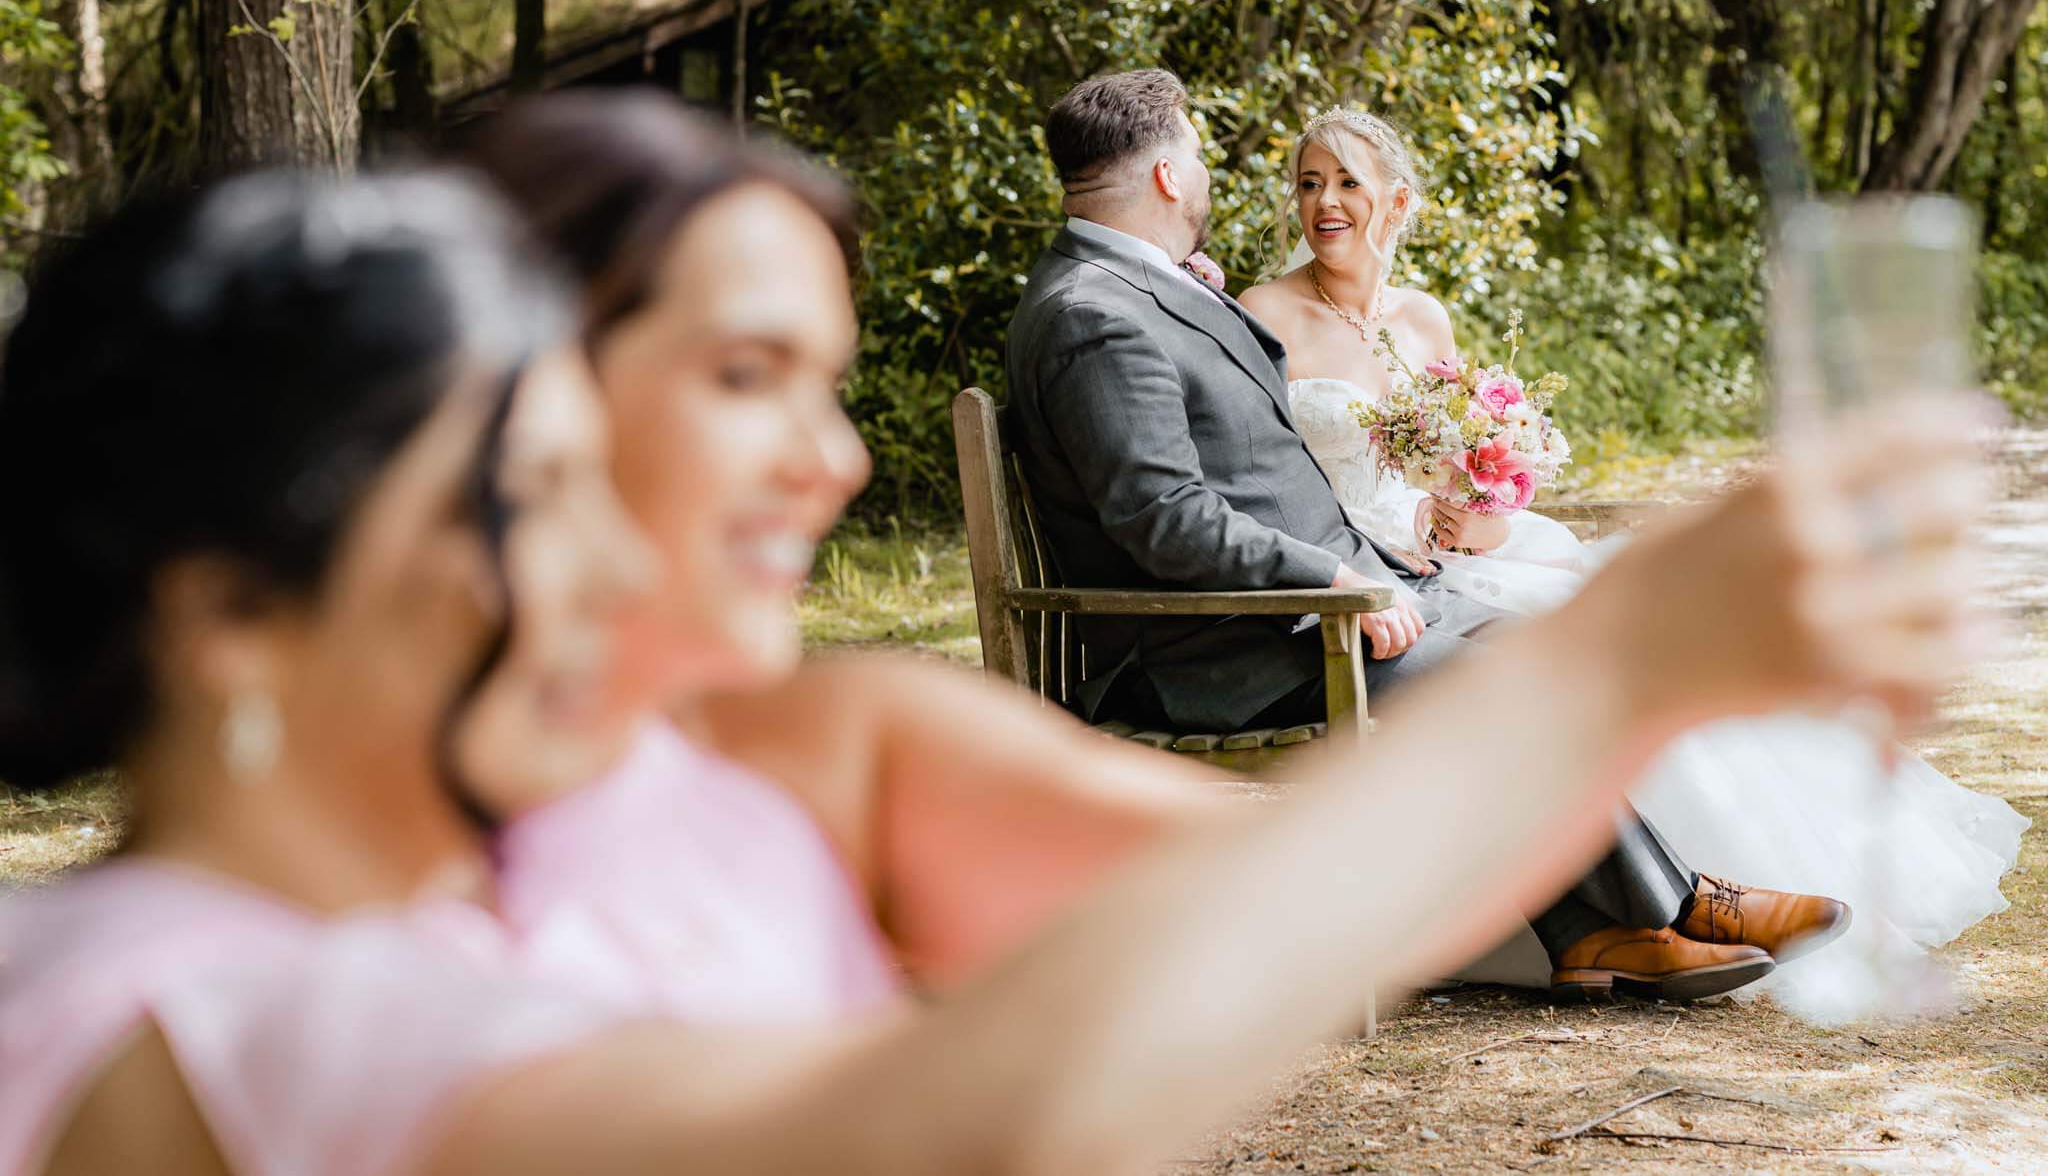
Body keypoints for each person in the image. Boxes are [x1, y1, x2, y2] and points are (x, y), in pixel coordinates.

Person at [0, 164, 1991, 1176]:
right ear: (227, 610)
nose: (605, 558)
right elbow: (956, 1122)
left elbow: (1225, 924)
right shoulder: (238, 1007)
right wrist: (1614, 653)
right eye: (517, 499)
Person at [1005, 68, 1850, 999]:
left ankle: (1597, 930)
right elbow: (1163, 518)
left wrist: (1197, 294)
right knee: (1506, 683)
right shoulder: (1095, 315)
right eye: (1198, 157)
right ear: (1169, 177)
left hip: (1281, 614)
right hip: (1222, 650)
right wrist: (1330, 576)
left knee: (1550, 644)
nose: (1205, 176)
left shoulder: (1130, 289)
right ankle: (1679, 907)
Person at [1241, 104, 2029, 1007]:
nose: (1325, 202)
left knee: (1642, 621)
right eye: (1309, 183)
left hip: (1459, 556)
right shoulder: (1262, 316)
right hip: (1369, 577)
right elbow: (1270, 483)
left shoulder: (1423, 320)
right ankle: (1665, 909)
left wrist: (1477, 516)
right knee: (1562, 640)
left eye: (1346, 182)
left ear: (1397, 201)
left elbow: (1471, 478)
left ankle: (1722, 887)